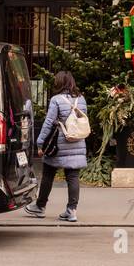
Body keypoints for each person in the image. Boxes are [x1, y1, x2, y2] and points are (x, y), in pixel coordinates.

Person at [24, 70, 87, 223]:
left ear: (58, 83)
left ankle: (40, 206)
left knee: (48, 174)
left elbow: (47, 123)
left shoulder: (56, 100)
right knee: (73, 176)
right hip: (77, 141)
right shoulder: (81, 99)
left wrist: (40, 142)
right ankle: (71, 211)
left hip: (58, 144)